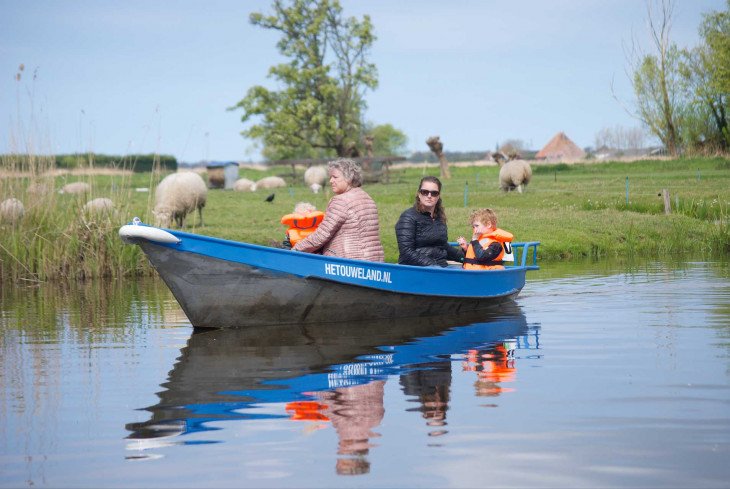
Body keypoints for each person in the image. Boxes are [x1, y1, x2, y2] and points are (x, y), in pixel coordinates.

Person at [293, 158, 385, 262]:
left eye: (335, 177)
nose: (331, 181)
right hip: (375, 262)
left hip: (347, 263)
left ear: (349, 178)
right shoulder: (368, 198)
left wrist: (295, 249)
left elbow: (321, 235)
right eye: (330, 177)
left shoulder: (340, 201)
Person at [394, 176, 463, 267]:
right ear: (419, 194)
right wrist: (433, 267)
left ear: (438, 196)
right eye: (425, 192)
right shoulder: (408, 217)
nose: (429, 196)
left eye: (434, 193)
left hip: (441, 268)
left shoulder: (439, 217)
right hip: (416, 270)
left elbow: (443, 247)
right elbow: (406, 252)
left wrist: (467, 257)